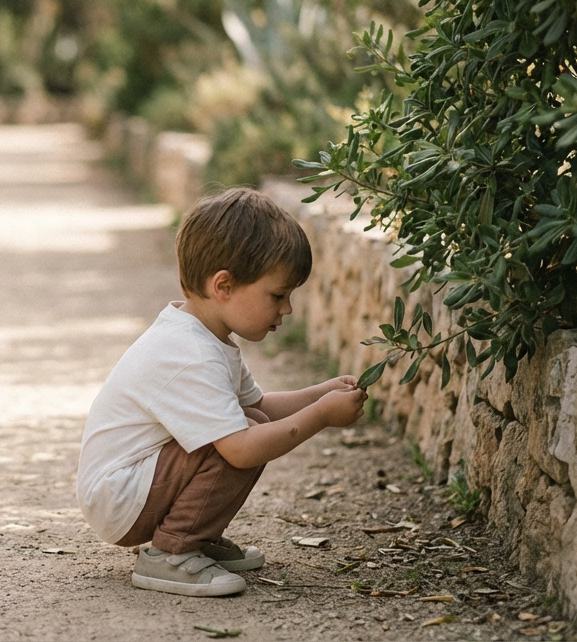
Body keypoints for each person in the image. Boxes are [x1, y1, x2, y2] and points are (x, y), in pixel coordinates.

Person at [76, 188, 367, 596]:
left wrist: (320, 394)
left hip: (134, 488)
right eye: (278, 295)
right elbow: (241, 449)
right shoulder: (189, 353)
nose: (287, 310)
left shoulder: (207, 336)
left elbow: (259, 406)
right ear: (224, 286)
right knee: (243, 435)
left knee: (253, 421)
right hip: (121, 498)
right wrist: (321, 416)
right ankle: (171, 553)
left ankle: (194, 537)